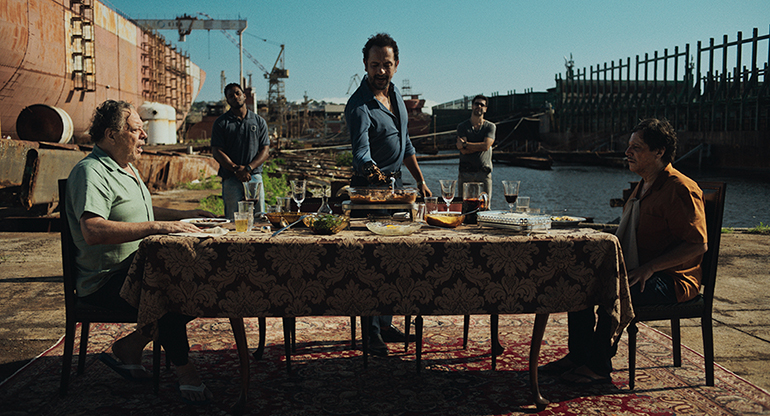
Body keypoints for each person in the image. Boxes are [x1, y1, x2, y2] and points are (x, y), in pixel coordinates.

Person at [66, 100, 216, 404]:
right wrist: (159, 228)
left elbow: (145, 212)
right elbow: (92, 230)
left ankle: (131, 347)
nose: (145, 135)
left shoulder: (127, 169)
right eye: (137, 129)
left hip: (137, 272)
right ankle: (186, 373)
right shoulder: (91, 171)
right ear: (111, 134)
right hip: (106, 280)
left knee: (203, 280)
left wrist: (185, 215)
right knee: (171, 291)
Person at [540, 118, 708, 385]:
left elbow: (698, 244)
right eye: (629, 146)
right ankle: (579, 355)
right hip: (639, 270)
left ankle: (598, 366)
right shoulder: (643, 185)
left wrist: (649, 268)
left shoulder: (680, 188)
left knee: (613, 288)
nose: (627, 152)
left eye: (636, 147)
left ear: (659, 151)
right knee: (576, 279)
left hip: (672, 280)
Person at [345, 33, 431, 356]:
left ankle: (384, 322)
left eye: (387, 64)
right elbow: (361, 153)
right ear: (365, 65)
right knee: (371, 265)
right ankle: (371, 333)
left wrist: (420, 180)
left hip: (397, 193)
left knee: (396, 262)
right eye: (375, 65)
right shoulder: (359, 106)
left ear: (396, 64)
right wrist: (374, 172)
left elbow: (406, 145)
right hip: (370, 192)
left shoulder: (395, 95)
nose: (381, 71)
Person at [211, 83, 270, 218]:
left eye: (237, 93)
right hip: (231, 177)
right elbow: (217, 151)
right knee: (233, 218)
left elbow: (265, 151)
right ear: (227, 100)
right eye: (231, 96)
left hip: (254, 176)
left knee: (259, 217)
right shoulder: (221, 123)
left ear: (244, 95)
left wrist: (248, 168)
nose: (235, 97)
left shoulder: (258, 121)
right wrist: (236, 169)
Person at [456, 94, 496, 199]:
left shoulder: (490, 127)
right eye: (476, 104)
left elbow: (486, 146)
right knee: (464, 206)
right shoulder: (462, 126)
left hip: (484, 174)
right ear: (472, 106)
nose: (479, 106)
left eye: (482, 105)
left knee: (485, 207)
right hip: (466, 173)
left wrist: (465, 144)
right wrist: (479, 146)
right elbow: (463, 151)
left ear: (485, 109)